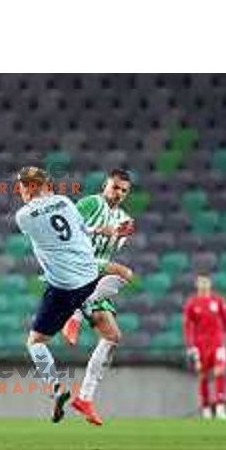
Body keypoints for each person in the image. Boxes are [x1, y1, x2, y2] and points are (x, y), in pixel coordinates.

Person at [14, 166, 127, 424]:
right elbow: (79, 231)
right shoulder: (65, 201)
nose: (20, 189)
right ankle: (79, 310)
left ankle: (56, 387)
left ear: (32, 187)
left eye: (22, 185)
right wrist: (102, 230)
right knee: (112, 327)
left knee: (35, 343)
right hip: (88, 278)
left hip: (63, 286)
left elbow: (46, 235)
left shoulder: (23, 216)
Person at [62, 168, 136, 425]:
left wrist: (120, 236)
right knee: (122, 272)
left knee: (113, 336)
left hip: (94, 277)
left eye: (124, 191)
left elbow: (111, 250)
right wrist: (97, 229)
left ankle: (84, 399)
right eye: (115, 187)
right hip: (74, 266)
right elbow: (67, 232)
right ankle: (73, 315)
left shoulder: (124, 218)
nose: (118, 194)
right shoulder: (91, 203)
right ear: (106, 185)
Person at [182, 271, 226, 420]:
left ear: (210, 284)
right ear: (197, 284)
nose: (204, 285)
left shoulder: (218, 301)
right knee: (203, 376)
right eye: (201, 282)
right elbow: (188, 326)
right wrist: (190, 345)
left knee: (220, 371)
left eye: (206, 282)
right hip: (201, 345)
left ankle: (220, 407)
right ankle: (206, 408)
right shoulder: (192, 303)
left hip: (217, 343)